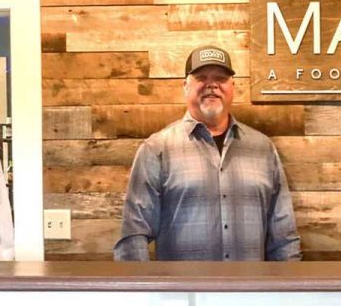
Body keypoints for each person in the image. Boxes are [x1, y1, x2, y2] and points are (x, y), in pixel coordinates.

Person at [114, 46, 301, 262]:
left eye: (220, 78)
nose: (211, 85)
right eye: (201, 77)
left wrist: (289, 293)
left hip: (251, 293)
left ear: (233, 87)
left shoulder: (263, 148)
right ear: (186, 86)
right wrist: (146, 293)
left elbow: (284, 237)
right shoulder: (157, 149)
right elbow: (133, 236)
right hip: (184, 294)